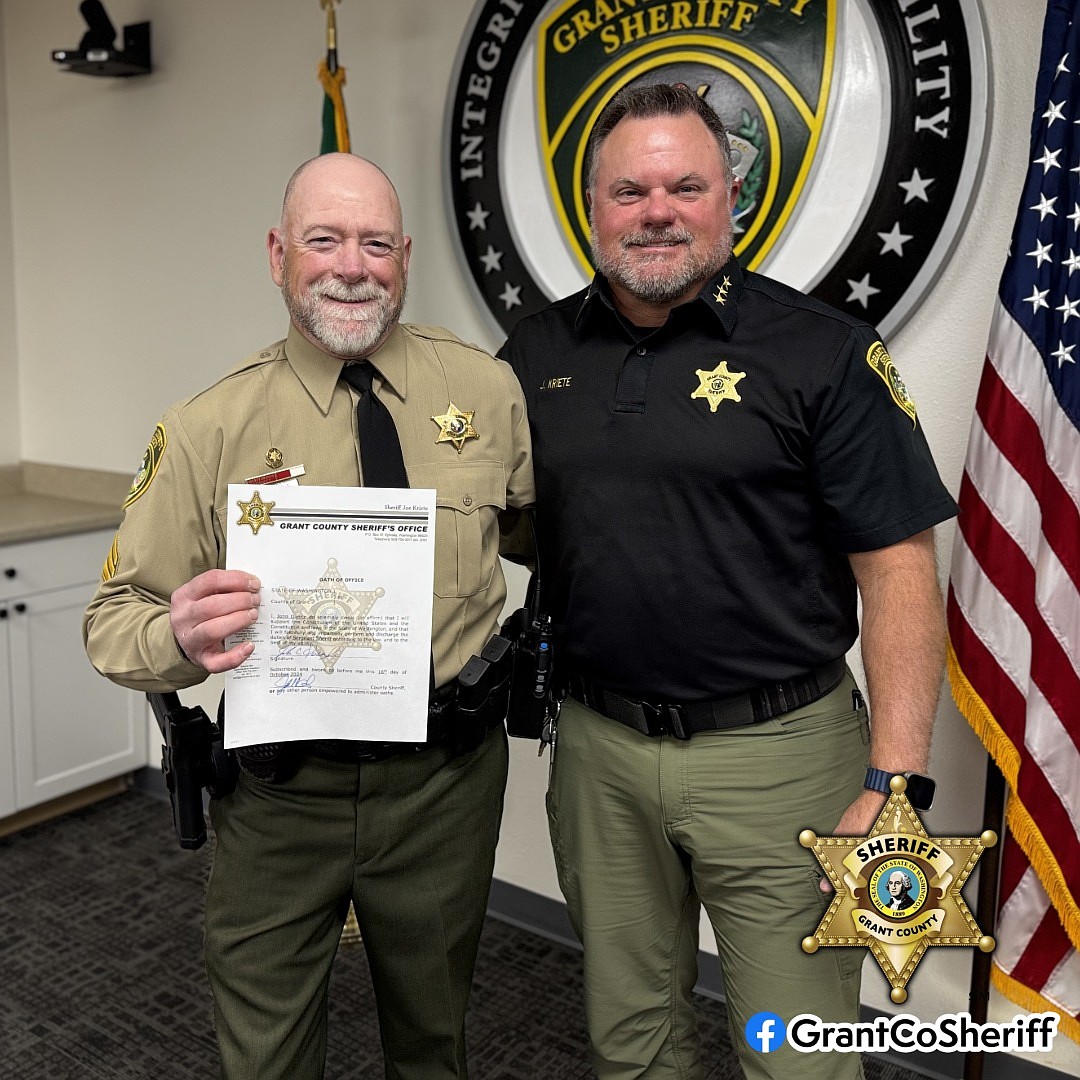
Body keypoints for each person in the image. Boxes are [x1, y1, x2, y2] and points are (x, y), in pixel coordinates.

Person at [498, 83, 957, 1080]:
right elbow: (504, 526)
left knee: (795, 1054)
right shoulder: (532, 354)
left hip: (783, 759)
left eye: (685, 184)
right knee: (632, 1039)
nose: (657, 208)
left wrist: (894, 784)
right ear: (592, 207)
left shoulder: (826, 353)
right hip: (600, 754)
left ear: (732, 200)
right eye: (629, 189)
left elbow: (901, 575)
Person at [84, 152, 534, 1080]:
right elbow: (112, 618)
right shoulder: (210, 425)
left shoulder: (485, 393)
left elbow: (543, 540)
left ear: (405, 256)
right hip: (281, 796)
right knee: (267, 1052)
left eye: (375, 242)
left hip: (443, 788)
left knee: (435, 1039)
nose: (351, 265)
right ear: (279, 254)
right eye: (323, 240)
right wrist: (178, 635)